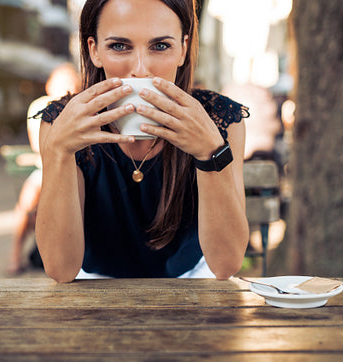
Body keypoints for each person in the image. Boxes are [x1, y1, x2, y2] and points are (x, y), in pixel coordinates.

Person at [34, 0, 250, 282]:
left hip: (192, 283)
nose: (141, 70)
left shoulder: (220, 120)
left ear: (183, 49)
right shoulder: (63, 123)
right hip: (91, 288)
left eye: (160, 46)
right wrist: (58, 151)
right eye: (120, 46)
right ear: (94, 50)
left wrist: (210, 151)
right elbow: (61, 269)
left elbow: (226, 264)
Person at [6, 63, 81, 275]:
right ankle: (14, 256)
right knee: (26, 203)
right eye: (61, 82)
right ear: (49, 85)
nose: (66, 86)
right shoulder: (41, 106)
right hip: (46, 168)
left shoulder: (79, 104)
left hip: (79, 167)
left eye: (70, 81)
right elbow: (40, 147)